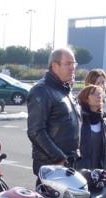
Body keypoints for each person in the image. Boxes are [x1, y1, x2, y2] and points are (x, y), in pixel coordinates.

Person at [27, 47, 82, 178]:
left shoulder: (64, 89)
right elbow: (35, 131)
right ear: (54, 66)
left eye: (74, 64)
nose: (73, 68)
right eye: (68, 64)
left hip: (68, 162)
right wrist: (59, 157)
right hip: (53, 164)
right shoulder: (42, 91)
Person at [76, 85, 106, 170]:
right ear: (86, 98)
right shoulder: (79, 121)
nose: (99, 96)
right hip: (81, 172)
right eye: (95, 94)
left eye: (100, 94)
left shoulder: (104, 122)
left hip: (100, 172)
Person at [84, 69, 106, 137]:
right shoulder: (80, 104)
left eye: (103, 82)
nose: (101, 86)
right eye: (97, 83)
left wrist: (98, 134)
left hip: (103, 146)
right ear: (89, 85)